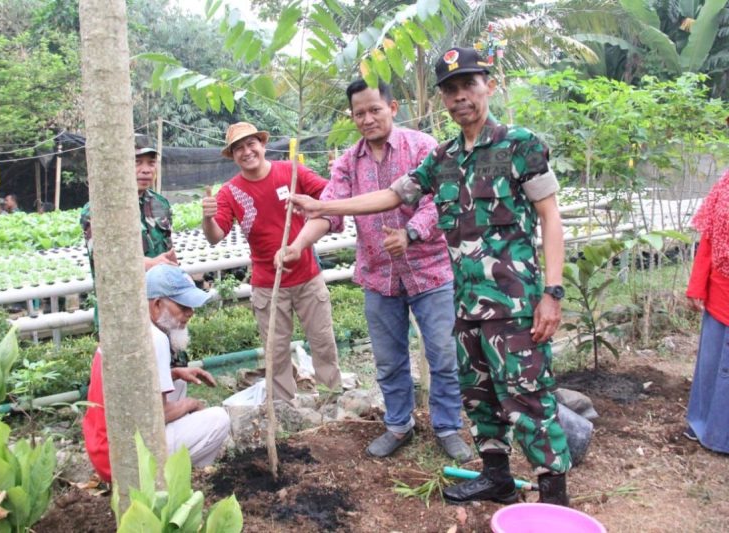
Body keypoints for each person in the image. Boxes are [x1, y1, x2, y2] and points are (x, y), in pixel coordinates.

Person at [289, 47, 571, 506]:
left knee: (528, 398)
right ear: (443, 98)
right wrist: (323, 206)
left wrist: (552, 294)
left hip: (515, 306)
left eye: (468, 86)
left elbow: (550, 218)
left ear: (488, 87)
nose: (460, 97)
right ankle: (496, 478)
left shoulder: (520, 144)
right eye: (450, 90)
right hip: (465, 302)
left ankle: (555, 497)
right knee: (479, 395)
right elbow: (389, 196)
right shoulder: (442, 158)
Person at [278, 79, 471, 462]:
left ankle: (448, 426)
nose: (367, 119)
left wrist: (411, 233)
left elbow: (442, 202)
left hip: (429, 271)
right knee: (388, 358)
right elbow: (329, 211)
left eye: (374, 110)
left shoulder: (423, 148)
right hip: (379, 275)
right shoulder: (348, 162)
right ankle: (399, 425)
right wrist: (298, 245)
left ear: (393, 107)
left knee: (444, 353)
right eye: (359, 113)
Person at [201, 122, 342, 401]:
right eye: (238, 148)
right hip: (268, 284)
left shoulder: (291, 172)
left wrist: (338, 174)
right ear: (233, 156)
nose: (247, 151)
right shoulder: (230, 192)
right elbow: (215, 236)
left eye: (251, 144)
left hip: (307, 277)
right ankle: (284, 406)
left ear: (263, 145)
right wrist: (207, 217)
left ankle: (334, 396)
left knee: (323, 341)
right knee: (275, 351)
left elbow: (329, 196)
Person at [82, 264, 231, 482]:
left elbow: (134, 384)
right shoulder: (155, 338)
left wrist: (175, 373)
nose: (190, 313)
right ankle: (178, 480)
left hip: (105, 450)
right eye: (183, 306)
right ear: (157, 304)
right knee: (219, 419)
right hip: (126, 460)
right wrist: (192, 404)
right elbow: (156, 415)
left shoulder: (124, 326)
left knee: (178, 384)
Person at [81, 141, 178, 331]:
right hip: (122, 313)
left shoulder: (160, 204)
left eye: (151, 163)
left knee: (170, 359)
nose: (146, 170)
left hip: (162, 309)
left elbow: (169, 255)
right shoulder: (100, 209)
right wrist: (151, 264)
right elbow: (106, 263)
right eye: (137, 162)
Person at [684, 168, 729, 454]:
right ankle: (704, 426)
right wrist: (696, 286)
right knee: (713, 363)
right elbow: (709, 239)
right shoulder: (725, 184)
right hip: (720, 292)